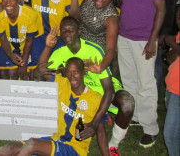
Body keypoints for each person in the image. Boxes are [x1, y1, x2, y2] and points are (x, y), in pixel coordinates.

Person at [39, 17, 134, 155]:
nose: (67, 33)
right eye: (64, 30)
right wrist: (48, 47)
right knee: (96, 124)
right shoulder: (59, 53)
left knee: (127, 104)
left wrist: (94, 123)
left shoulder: (93, 50)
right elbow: (43, 71)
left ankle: (114, 144)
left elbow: (108, 90)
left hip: (101, 90)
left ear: (79, 32)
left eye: (71, 29)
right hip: (81, 93)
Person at [0, 57, 102, 156]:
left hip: (73, 148)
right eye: (69, 72)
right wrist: (47, 48)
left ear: (83, 72)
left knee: (32, 144)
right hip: (54, 139)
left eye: (76, 72)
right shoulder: (63, 83)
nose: (72, 77)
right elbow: (41, 71)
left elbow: (101, 131)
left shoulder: (95, 98)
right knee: (13, 147)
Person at [118, 0, 165, 148]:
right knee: (129, 80)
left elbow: (161, 9)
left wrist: (152, 39)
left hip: (143, 39)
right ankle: (135, 115)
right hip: (124, 36)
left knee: (146, 84)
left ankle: (151, 128)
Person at [24, 0, 79, 73]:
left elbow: (74, 16)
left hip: (59, 38)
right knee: (37, 72)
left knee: (58, 73)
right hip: (38, 38)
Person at [145, 0, 177, 101]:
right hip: (141, 28)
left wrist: (165, 31)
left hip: (157, 28)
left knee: (155, 64)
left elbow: (169, 4)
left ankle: (154, 98)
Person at [0, 0, 39, 80]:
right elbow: (3, 39)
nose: (7, 4)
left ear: (18, 0)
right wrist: (10, 55)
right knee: (9, 75)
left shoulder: (30, 15)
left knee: (29, 76)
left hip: (27, 46)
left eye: (11, 0)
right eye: (4, 0)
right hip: (10, 47)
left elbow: (29, 41)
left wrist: (23, 64)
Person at [78, 0, 121, 79]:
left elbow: (111, 49)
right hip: (79, 47)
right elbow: (78, 17)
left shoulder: (111, 18)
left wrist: (101, 67)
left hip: (95, 55)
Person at [163, 4, 180, 156]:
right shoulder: (179, 34)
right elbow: (170, 59)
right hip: (171, 86)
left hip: (178, 92)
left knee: (170, 134)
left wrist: (172, 43)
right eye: (178, 16)